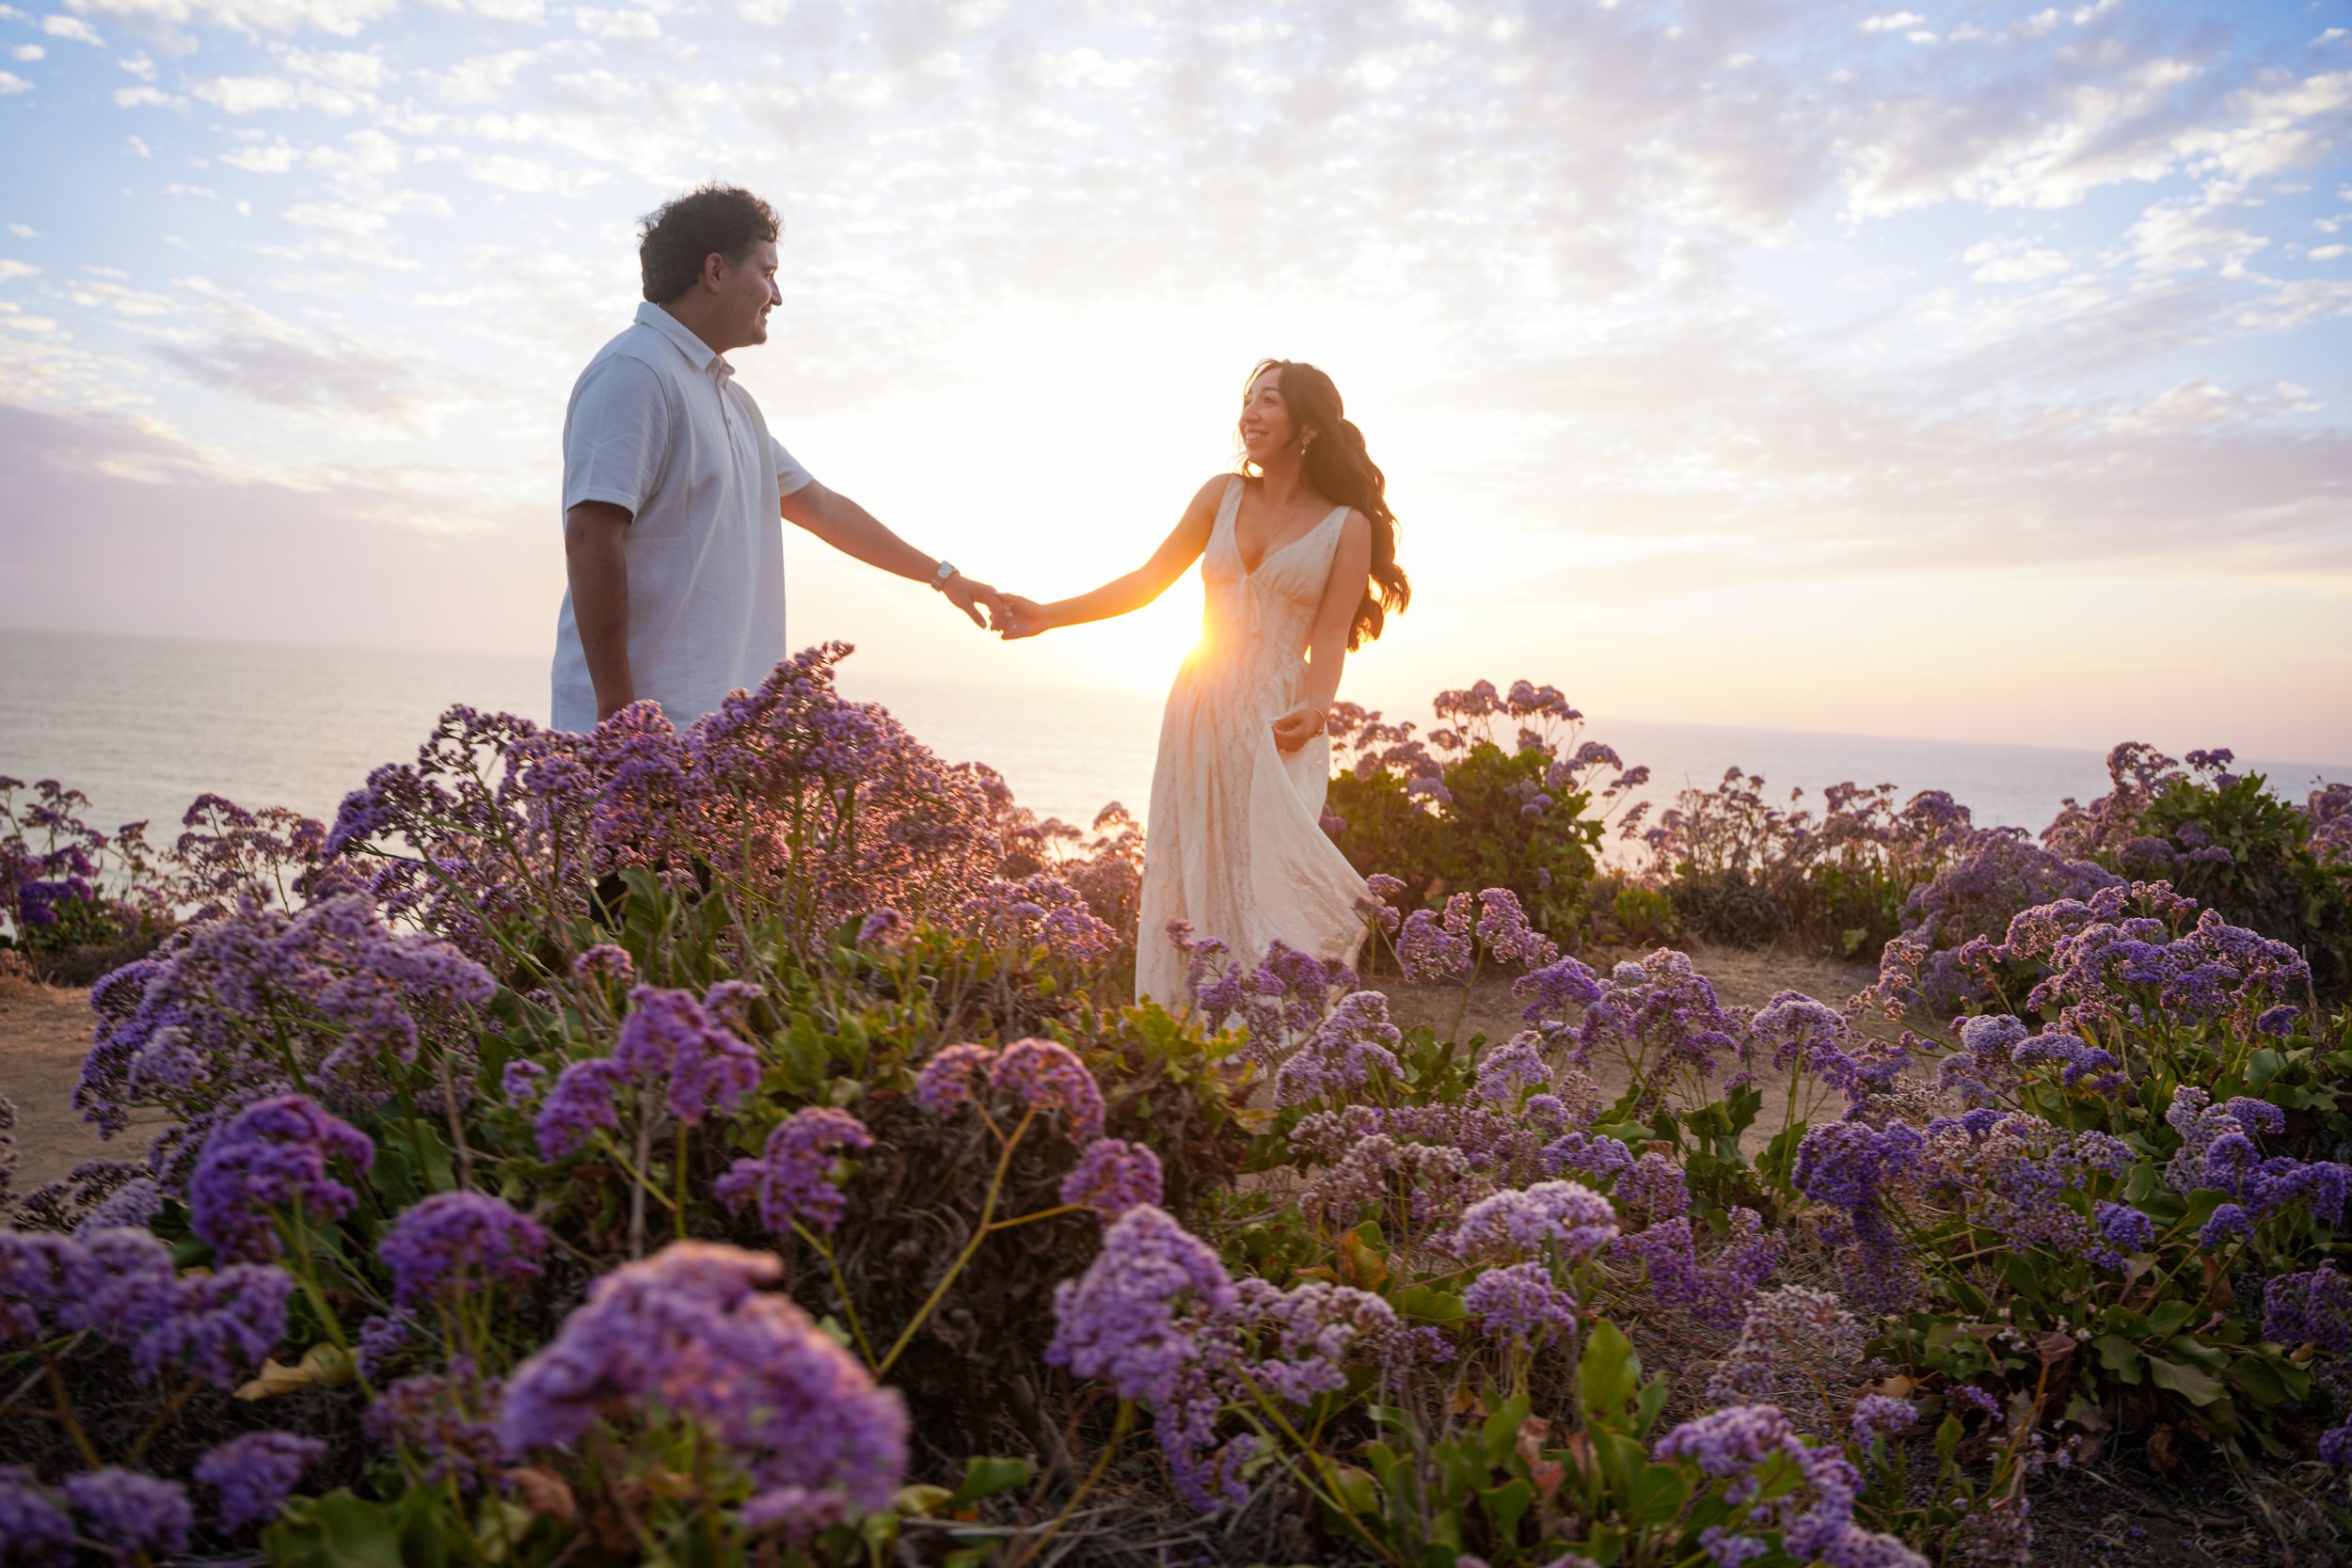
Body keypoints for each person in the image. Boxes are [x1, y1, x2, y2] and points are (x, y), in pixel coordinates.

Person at [996, 359, 1410, 1005]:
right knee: (1189, 867)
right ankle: (1187, 1032)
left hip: (1277, 717)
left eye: (1268, 401)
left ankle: (1269, 1026)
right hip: (1199, 703)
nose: (1250, 413)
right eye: (1248, 401)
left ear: (1306, 426)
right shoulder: (1222, 494)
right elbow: (1146, 581)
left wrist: (1317, 705)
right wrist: (1049, 615)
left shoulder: (1346, 526)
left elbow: (1331, 632)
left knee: (1260, 874)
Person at [551, 183, 1006, 732]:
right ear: (716, 272)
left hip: (716, 748)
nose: (778, 295)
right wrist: (619, 722)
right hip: (640, 752)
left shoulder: (731, 402)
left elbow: (825, 509)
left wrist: (943, 576)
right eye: (767, 273)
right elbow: (590, 537)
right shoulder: (634, 372)